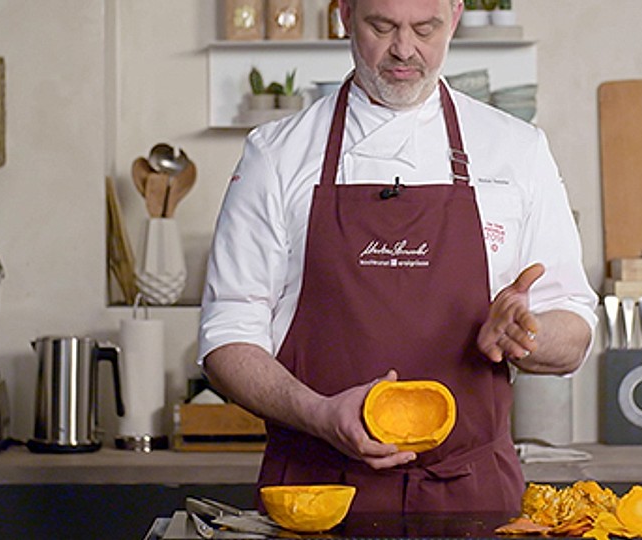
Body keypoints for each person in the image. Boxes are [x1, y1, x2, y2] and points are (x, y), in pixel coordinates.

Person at [198, 0, 597, 514]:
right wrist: (319, 414)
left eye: (425, 28)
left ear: (455, 16)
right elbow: (227, 337)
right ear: (345, 15)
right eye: (382, 26)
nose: (404, 49)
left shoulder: (517, 150)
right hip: (316, 493)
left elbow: (574, 329)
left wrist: (527, 336)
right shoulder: (277, 155)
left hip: (472, 494)